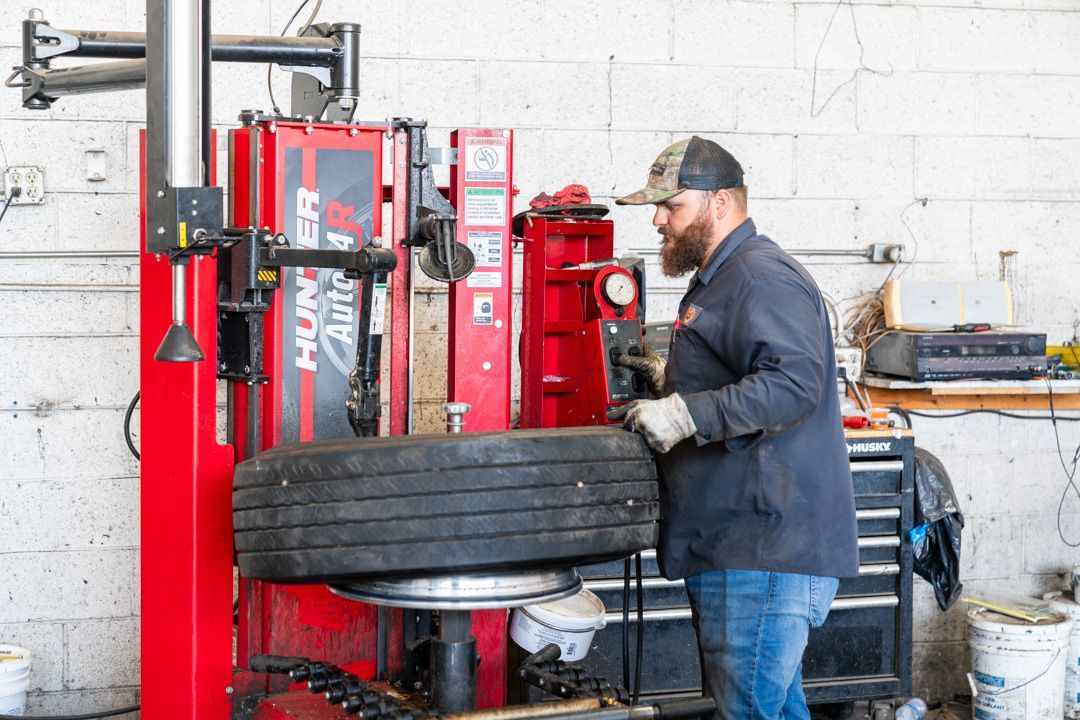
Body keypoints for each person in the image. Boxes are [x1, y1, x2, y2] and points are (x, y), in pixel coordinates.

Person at [609, 136, 858, 720]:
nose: (658, 219)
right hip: (747, 548)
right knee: (770, 709)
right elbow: (743, 367)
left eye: (671, 206)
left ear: (720, 202)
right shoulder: (723, 276)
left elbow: (795, 384)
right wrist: (670, 380)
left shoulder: (758, 275)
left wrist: (685, 413)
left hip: (762, 552)